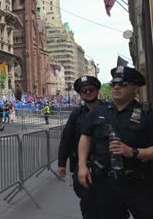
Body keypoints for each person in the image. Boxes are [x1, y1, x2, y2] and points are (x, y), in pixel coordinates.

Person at [78, 66, 153, 219]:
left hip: (140, 183)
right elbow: (86, 136)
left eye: (123, 84)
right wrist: (82, 165)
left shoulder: (148, 114)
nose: (117, 87)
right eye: (114, 84)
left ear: (135, 88)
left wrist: (134, 152)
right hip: (106, 184)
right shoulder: (99, 111)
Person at [57, 76, 103, 219]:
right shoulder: (76, 115)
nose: (88, 92)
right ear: (80, 94)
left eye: (91, 89)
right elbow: (67, 138)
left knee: (109, 205)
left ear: (97, 90)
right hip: (83, 165)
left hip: (106, 166)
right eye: (84, 91)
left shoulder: (108, 110)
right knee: (88, 205)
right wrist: (62, 163)